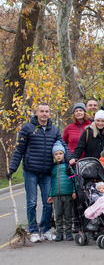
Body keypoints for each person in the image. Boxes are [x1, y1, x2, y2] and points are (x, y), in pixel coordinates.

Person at [7, 103, 71, 243]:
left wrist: (70, 159)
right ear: (36, 113)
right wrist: (12, 168)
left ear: (49, 113)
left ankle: (46, 229)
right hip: (31, 171)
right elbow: (19, 149)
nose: (44, 114)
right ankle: (33, 231)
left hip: (47, 172)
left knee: (48, 202)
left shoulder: (53, 130)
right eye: (41, 111)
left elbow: (63, 145)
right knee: (31, 202)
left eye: (46, 111)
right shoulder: (27, 128)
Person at [48, 142, 77, 242]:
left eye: (60, 153)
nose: (58, 156)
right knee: (58, 214)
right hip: (56, 195)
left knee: (68, 214)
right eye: (56, 154)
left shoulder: (68, 166)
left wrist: (74, 191)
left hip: (68, 193)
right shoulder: (52, 168)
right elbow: (51, 182)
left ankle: (68, 232)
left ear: (64, 154)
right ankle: (59, 232)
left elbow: (74, 179)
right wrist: (51, 194)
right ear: (53, 156)